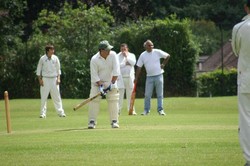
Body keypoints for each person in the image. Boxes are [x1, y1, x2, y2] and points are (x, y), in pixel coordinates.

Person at [232, 1, 250, 165]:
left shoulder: (239, 27)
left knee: (246, 120)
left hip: (246, 80)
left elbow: (236, 51)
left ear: (246, 7)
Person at [87, 40, 120, 129]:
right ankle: (92, 121)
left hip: (111, 81)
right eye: (107, 50)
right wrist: (101, 87)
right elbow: (94, 75)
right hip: (97, 84)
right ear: (101, 50)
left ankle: (114, 121)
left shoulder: (113, 55)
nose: (109, 51)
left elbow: (116, 71)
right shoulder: (94, 59)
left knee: (113, 100)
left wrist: (112, 84)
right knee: (94, 101)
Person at [134, 40, 170, 116]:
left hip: (159, 75)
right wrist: (136, 78)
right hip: (149, 77)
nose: (151, 47)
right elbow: (139, 67)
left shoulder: (157, 51)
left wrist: (163, 64)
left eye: (152, 45)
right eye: (149, 45)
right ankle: (146, 110)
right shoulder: (143, 55)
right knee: (147, 95)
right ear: (145, 46)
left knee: (160, 94)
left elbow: (167, 56)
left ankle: (160, 110)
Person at [36, 44, 66, 118]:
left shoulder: (55, 58)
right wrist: (40, 80)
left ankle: (61, 112)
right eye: (51, 50)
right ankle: (42, 113)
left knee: (57, 97)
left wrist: (58, 78)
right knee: (44, 97)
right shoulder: (42, 59)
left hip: (54, 79)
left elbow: (58, 69)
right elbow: (38, 70)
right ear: (48, 51)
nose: (53, 51)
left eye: (53, 49)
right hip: (45, 79)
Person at [117, 43, 137, 115]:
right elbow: (117, 66)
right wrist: (125, 63)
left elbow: (133, 63)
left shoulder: (132, 55)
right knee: (120, 95)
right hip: (121, 78)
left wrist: (126, 57)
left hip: (130, 77)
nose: (123, 51)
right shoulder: (117, 56)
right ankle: (118, 110)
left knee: (130, 94)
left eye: (124, 49)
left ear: (127, 49)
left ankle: (131, 110)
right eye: (122, 49)